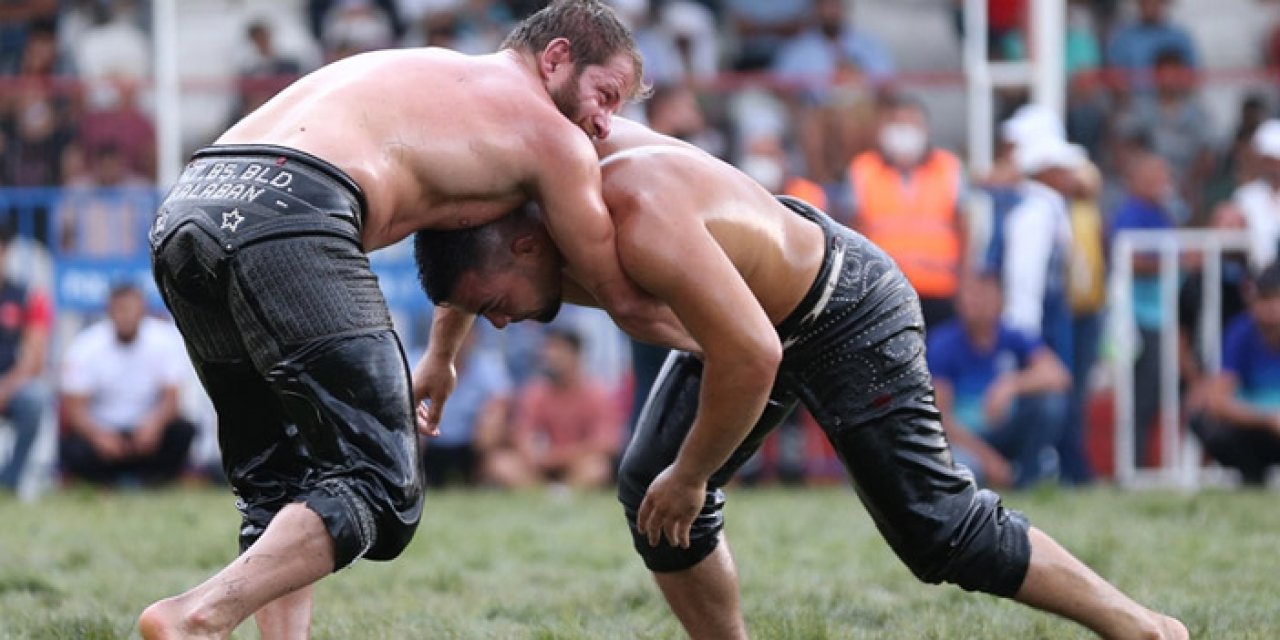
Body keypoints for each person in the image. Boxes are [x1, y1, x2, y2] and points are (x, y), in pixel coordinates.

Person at [414, 117, 1188, 640]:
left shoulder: (634, 218)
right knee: (650, 491)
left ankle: (1141, 627)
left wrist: (694, 473)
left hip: (844, 306)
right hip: (750, 314)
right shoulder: (517, 205)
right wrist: (443, 353)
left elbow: (752, 355)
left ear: (522, 249)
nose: (504, 323)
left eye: (494, 309)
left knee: (936, 528)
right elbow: (465, 261)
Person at [141, 1, 688, 637]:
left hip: (190, 205)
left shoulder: (438, 78)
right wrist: (737, 340)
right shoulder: (552, 133)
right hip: (290, 208)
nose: (603, 123)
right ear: (557, 57)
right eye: (606, 95)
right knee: (380, 483)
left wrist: (442, 356)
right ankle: (196, 616)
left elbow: (462, 221)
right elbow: (619, 293)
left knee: (281, 479)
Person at [928, 270, 1072, 489]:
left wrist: (1010, 385)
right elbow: (941, 418)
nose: (974, 302)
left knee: (1051, 403)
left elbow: (1059, 375)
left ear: (1000, 301)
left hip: (1005, 431)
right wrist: (988, 459)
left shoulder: (1014, 336)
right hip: (965, 440)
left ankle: (1028, 480)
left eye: (983, 295)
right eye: (969, 294)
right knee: (962, 473)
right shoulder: (942, 344)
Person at [847, 94, 965, 330]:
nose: (904, 132)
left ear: (926, 129)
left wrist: (964, 280)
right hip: (884, 291)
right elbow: (853, 230)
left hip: (940, 291)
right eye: (897, 124)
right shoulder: (863, 170)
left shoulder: (949, 167)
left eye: (911, 124)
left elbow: (964, 226)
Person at [60, 283, 195, 486]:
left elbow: (172, 399)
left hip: (146, 430)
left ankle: (152, 483)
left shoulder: (164, 339)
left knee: (183, 431)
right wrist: (98, 435)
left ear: (143, 310)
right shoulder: (87, 345)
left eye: (131, 309)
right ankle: (107, 484)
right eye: (120, 310)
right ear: (109, 312)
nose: (126, 316)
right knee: (73, 448)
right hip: (103, 431)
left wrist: (154, 425)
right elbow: (74, 408)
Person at [483, 328, 621, 489]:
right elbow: (522, 434)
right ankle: (542, 493)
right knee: (501, 464)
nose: (551, 357)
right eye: (548, 351)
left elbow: (607, 443)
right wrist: (533, 455)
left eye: (558, 351)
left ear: (576, 355)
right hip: (537, 467)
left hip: (577, 465)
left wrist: (557, 458)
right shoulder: (534, 392)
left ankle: (564, 493)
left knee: (597, 468)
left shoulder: (597, 394)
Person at [1189, 261, 1280, 485]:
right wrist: (1268, 419)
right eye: (1265, 299)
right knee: (1203, 419)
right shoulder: (1241, 331)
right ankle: (1252, 475)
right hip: (1255, 426)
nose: (1271, 309)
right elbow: (1218, 401)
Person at [0, 226, 50, 493]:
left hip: (10, 382)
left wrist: (6, 389)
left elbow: (35, 357)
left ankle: (10, 480)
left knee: (35, 398)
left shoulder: (27, 296)